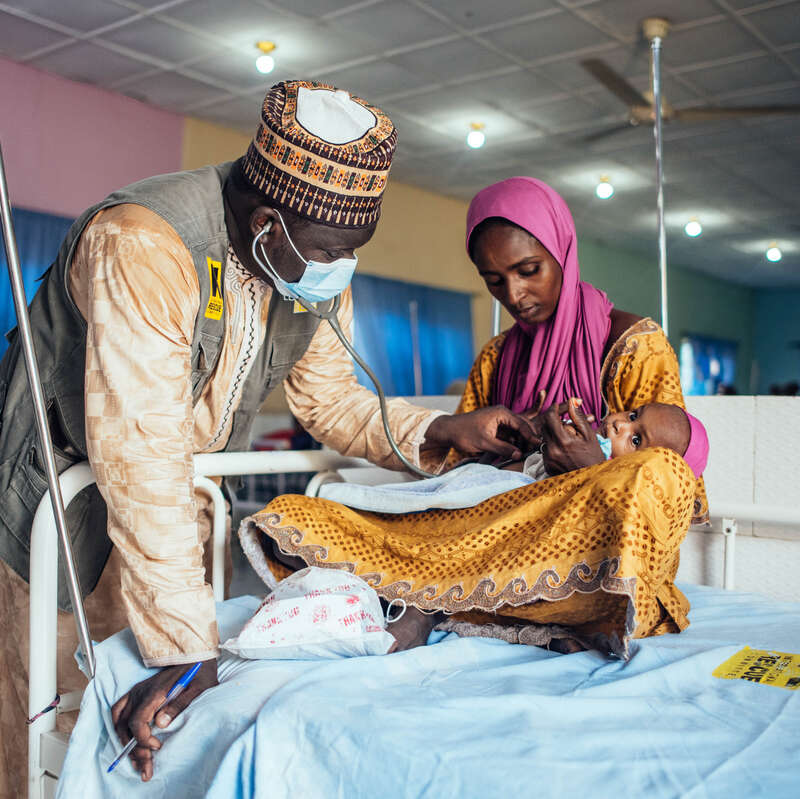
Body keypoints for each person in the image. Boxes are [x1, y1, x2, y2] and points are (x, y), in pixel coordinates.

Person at [0, 82, 537, 790]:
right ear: (264, 224)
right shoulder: (144, 242)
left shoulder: (309, 269)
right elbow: (141, 446)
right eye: (331, 251)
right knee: (48, 734)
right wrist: (186, 645)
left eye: (352, 252)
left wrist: (442, 428)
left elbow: (334, 401)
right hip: (54, 517)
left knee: (151, 735)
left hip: (169, 523)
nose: (341, 269)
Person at [239, 176, 709, 668]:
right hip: (484, 532)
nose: (516, 294)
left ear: (563, 252)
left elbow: (673, 485)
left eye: (530, 269)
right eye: (494, 281)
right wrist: (493, 449)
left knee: (639, 483)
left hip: (576, 552)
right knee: (299, 518)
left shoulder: (633, 345)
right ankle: (457, 598)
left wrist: (592, 470)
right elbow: (459, 487)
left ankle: (427, 598)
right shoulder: (495, 358)